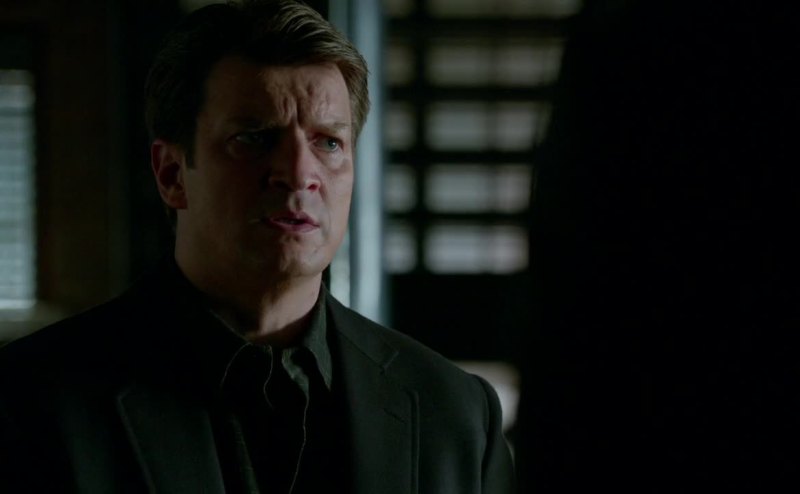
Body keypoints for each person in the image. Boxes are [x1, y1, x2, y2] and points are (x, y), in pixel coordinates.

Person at [0, 1, 515, 492]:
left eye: (328, 142)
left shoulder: (453, 413)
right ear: (172, 173)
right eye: (254, 138)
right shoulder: (31, 401)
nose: (298, 172)